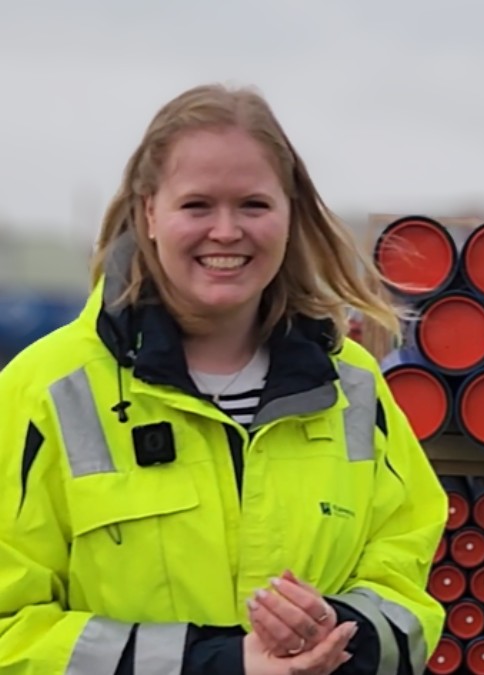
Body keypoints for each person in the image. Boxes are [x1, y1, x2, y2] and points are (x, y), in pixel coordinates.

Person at [0, 84, 447, 674]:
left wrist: (337, 630)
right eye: (197, 206)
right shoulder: (44, 389)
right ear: (149, 212)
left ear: (290, 213)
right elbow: (11, 632)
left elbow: (407, 583)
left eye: (253, 205)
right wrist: (221, 664)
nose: (227, 231)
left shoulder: (353, 384)